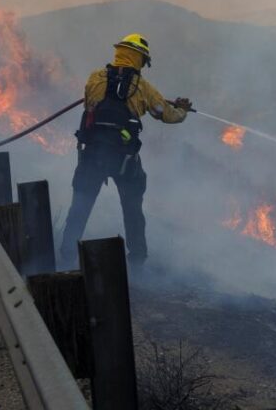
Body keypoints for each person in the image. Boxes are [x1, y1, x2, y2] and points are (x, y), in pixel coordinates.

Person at [60, 33, 191, 269]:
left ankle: (66, 255)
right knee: (132, 209)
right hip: (125, 160)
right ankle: (138, 261)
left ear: (120, 53)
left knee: (80, 205)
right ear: (139, 59)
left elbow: (89, 106)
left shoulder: (95, 79)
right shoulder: (142, 87)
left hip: (92, 156)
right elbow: (167, 115)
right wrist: (181, 110)